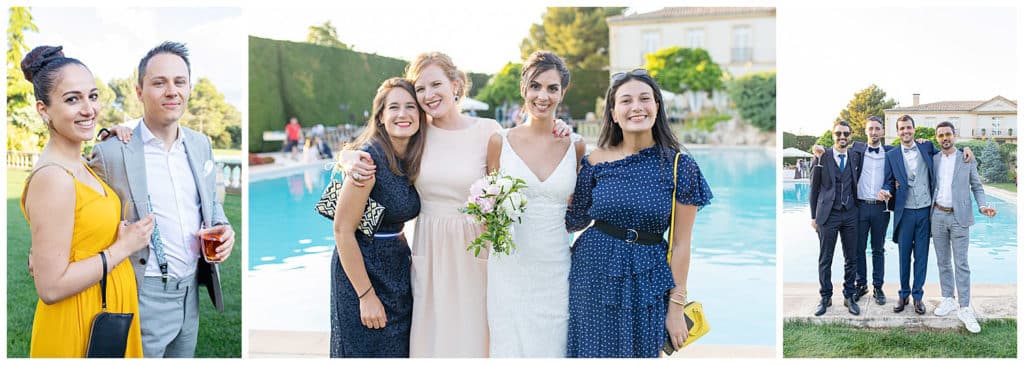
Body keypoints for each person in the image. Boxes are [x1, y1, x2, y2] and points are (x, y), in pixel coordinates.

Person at [339, 52, 573, 357]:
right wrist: (348, 157)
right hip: (431, 250)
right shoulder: (417, 132)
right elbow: (377, 143)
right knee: (434, 338)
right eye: (420, 89)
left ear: (456, 85)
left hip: (477, 249)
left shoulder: (488, 130)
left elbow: (523, 158)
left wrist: (561, 128)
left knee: (477, 336)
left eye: (436, 84)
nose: (428, 95)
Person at [89, 41, 236, 357]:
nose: (172, 91)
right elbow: (74, 201)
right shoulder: (111, 152)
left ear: (189, 88)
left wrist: (223, 227)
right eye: (159, 83)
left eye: (179, 82)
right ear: (140, 91)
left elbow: (210, 202)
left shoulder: (201, 145)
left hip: (190, 295)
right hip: (142, 293)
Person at [564, 69, 712, 357]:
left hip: (649, 278)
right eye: (626, 101)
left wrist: (676, 306)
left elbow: (681, 244)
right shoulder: (593, 161)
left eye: (645, 98)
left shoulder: (681, 166)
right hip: (591, 273)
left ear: (657, 107)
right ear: (614, 113)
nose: (636, 107)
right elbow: (574, 220)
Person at [19, 45, 153, 358]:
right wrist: (123, 247)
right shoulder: (53, 178)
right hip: (78, 324)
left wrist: (114, 138)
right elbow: (50, 287)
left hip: (106, 313)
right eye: (72, 99)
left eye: (92, 96)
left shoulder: (82, 165)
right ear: (43, 110)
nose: (89, 109)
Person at [483, 51, 586, 357]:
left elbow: (578, 208)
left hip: (555, 264)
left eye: (552, 88)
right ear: (524, 89)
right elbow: (488, 203)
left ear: (562, 92)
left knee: (554, 343)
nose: (543, 95)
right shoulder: (499, 141)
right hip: (509, 266)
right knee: (510, 345)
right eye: (536, 86)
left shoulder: (576, 145)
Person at [331, 78, 425, 357]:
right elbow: (342, 231)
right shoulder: (368, 161)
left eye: (410, 106)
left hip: (395, 267)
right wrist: (365, 296)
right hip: (363, 270)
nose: (402, 114)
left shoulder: (413, 155)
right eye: (393, 107)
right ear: (381, 116)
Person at [929, 121, 996, 333]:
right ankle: (948, 298)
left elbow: (976, 185)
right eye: (940, 135)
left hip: (960, 217)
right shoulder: (934, 159)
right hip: (938, 215)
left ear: (954, 135)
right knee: (943, 262)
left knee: (961, 263)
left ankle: (965, 307)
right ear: (937, 138)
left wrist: (982, 205)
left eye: (948, 134)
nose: (944, 138)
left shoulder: (966, 158)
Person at [878, 115, 937, 315]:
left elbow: (948, 153)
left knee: (921, 256)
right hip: (904, 212)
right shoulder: (891, 155)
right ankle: (903, 294)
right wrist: (887, 190)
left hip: (925, 210)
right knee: (904, 256)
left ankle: (918, 296)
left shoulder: (926, 147)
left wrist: (967, 150)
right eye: (902, 128)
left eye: (908, 128)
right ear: (898, 131)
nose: (906, 131)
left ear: (914, 129)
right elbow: (888, 181)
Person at [809, 121, 862, 316]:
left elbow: (881, 148)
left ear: (850, 136)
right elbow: (813, 188)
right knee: (825, 258)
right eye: (838, 133)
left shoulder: (856, 156)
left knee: (851, 258)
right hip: (827, 215)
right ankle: (825, 296)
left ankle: (849, 295)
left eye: (846, 134)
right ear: (833, 135)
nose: (842, 137)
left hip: (850, 213)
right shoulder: (822, 156)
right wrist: (813, 216)